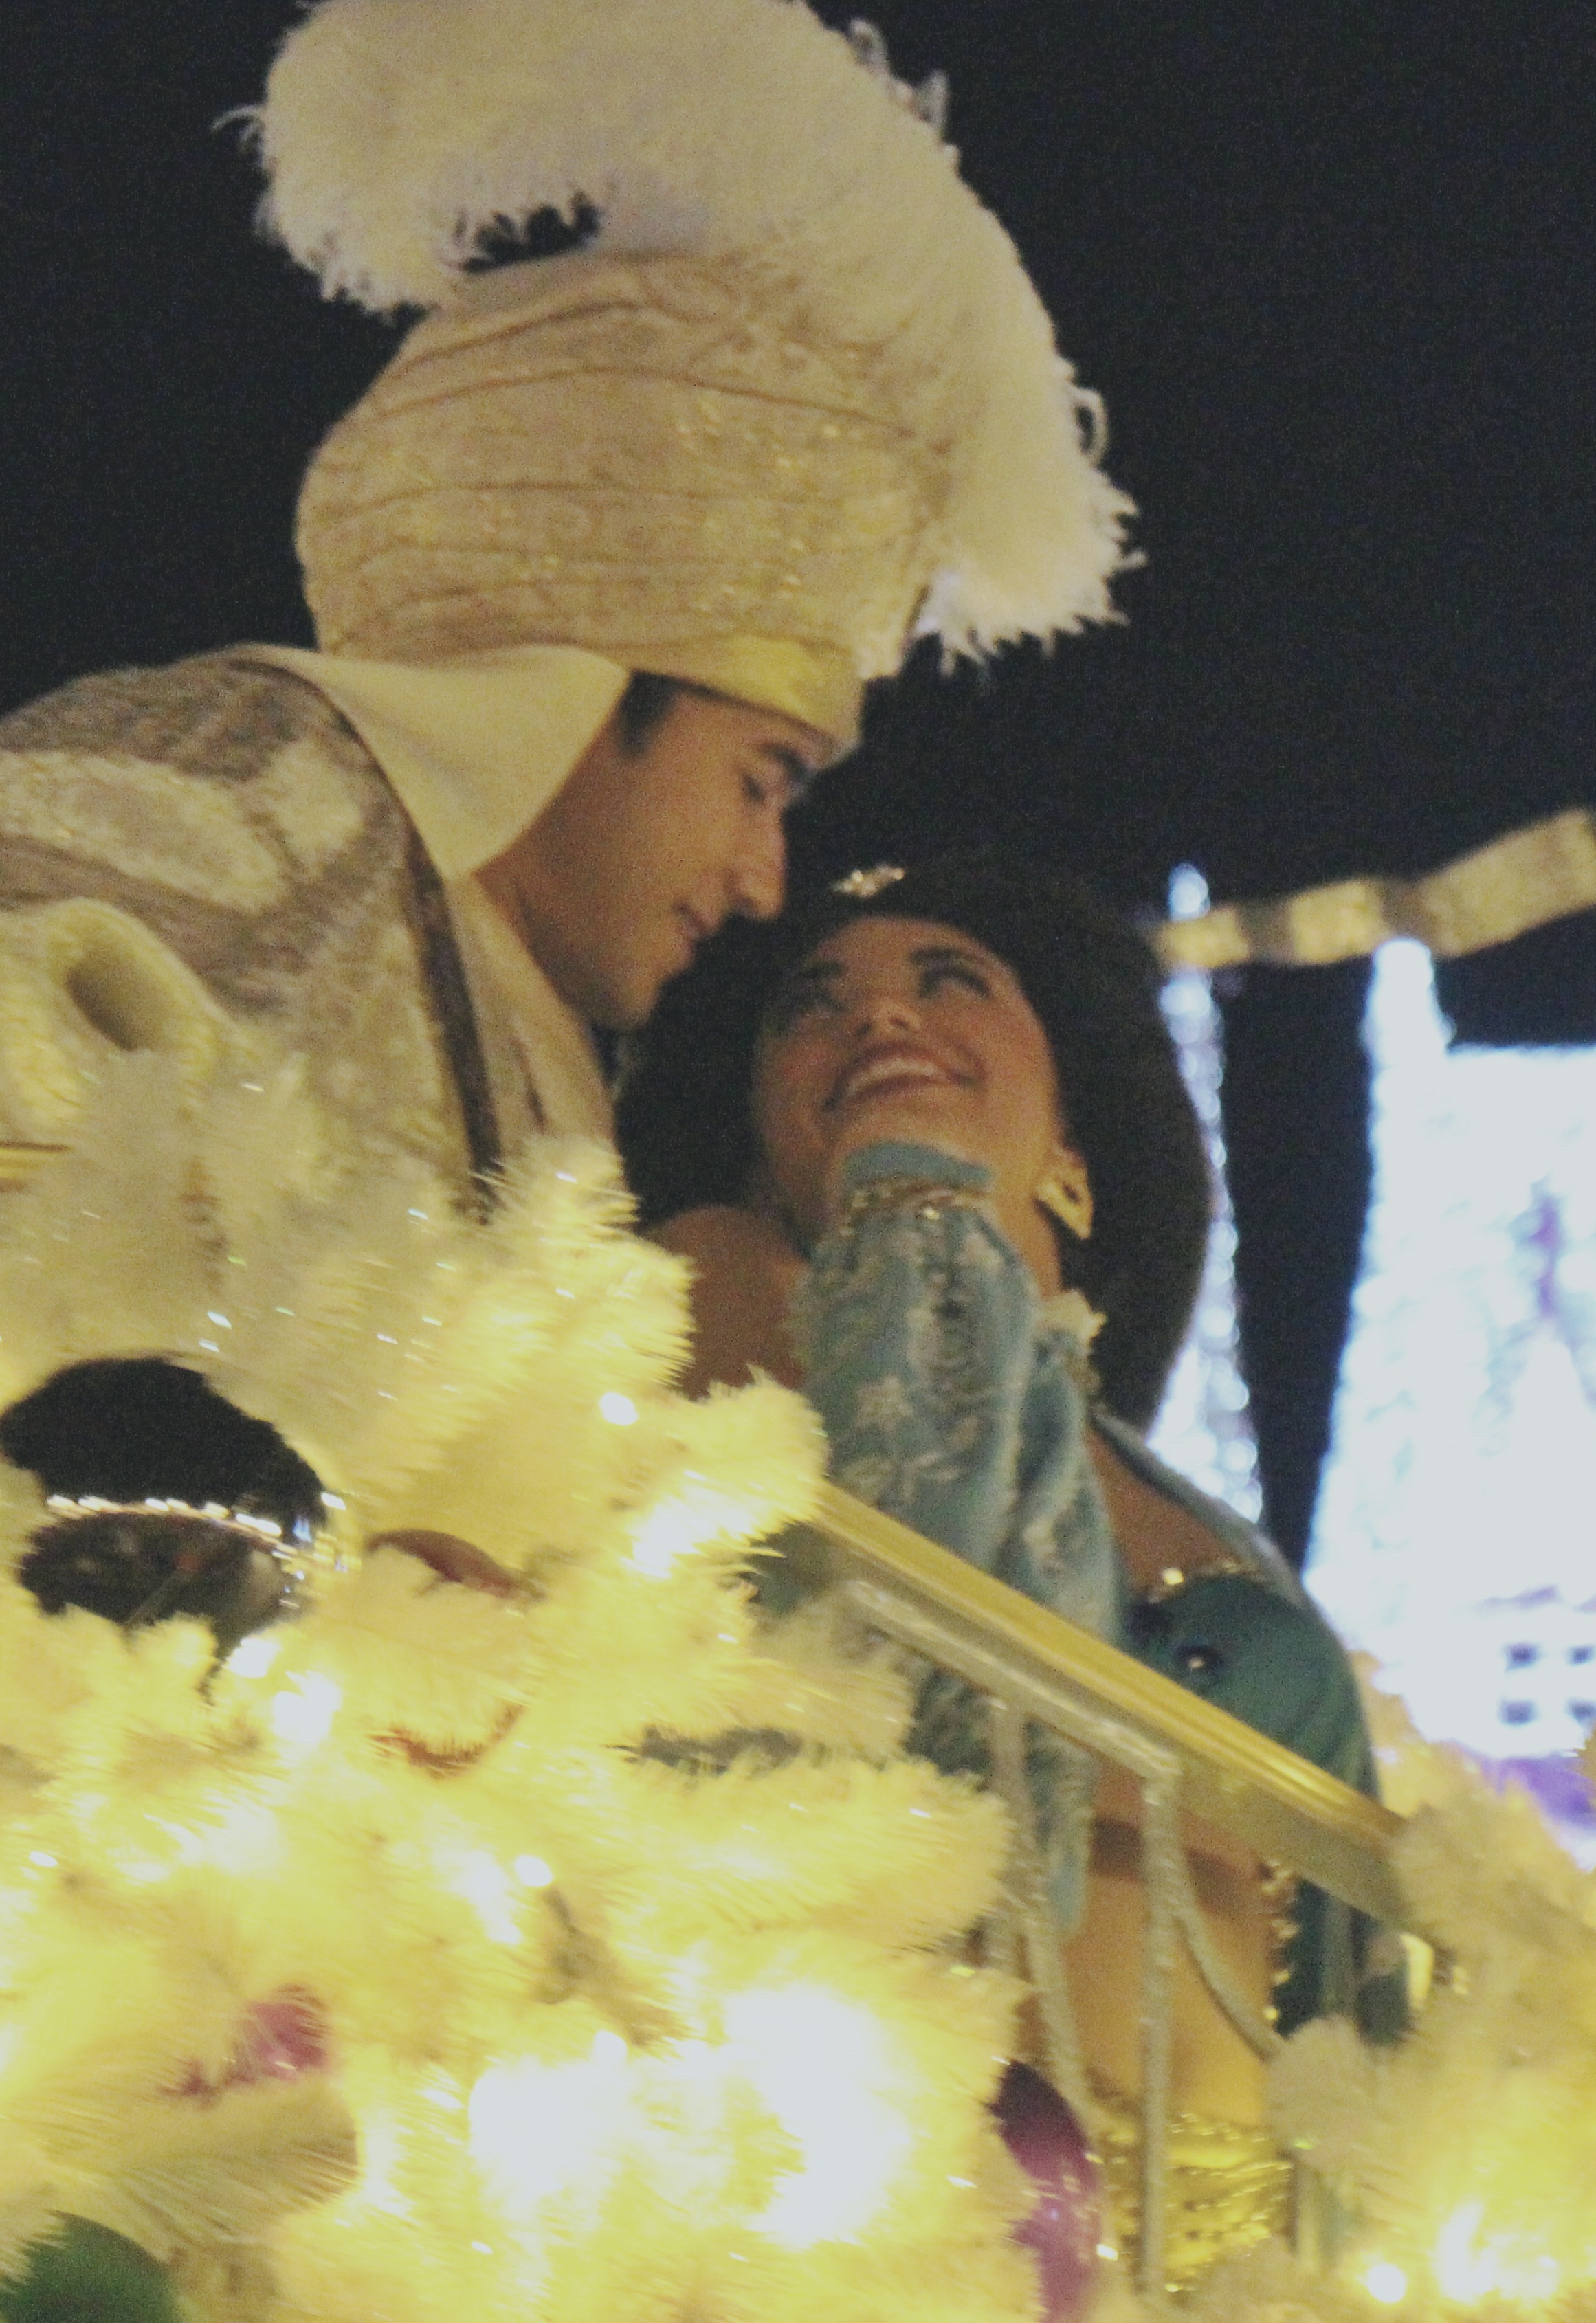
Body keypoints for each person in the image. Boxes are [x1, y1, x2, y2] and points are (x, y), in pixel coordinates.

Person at [0, 0, 1127, 1194]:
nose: (763, 877)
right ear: (571, 697)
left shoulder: (554, 1053)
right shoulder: (231, 809)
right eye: (756, 781)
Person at [619, 849, 1394, 2284]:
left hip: (1243, 2253)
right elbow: (934, 1677)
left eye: (946, 982)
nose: (877, 1020)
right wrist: (907, 1213)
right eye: (810, 1007)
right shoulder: (729, 1298)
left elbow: (1349, 1967)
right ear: (753, 1147)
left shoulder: (1191, 1514)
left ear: (1077, 1152)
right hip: (894, 2218)